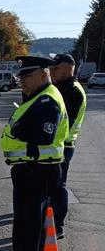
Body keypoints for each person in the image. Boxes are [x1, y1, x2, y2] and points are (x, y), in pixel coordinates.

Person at [0, 56, 69, 251]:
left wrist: (18, 130)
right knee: (30, 223)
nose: (22, 81)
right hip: (34, 169)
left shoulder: (46, 100)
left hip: (36, 170)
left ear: (43, 74)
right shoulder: (38, 98)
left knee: (27, 224)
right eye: (21, 77)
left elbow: (44, 135)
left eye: (27, 76)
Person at [49, 53, 86, 239]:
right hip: (58, 145)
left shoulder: (72, 90)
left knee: (58, 186)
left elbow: (65, 123)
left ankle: (58, 226)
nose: (52, 71)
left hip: (64, 146)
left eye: (56, 68)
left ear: (68, 68)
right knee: (53, 185)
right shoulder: (62, 87)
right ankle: (51, 221)